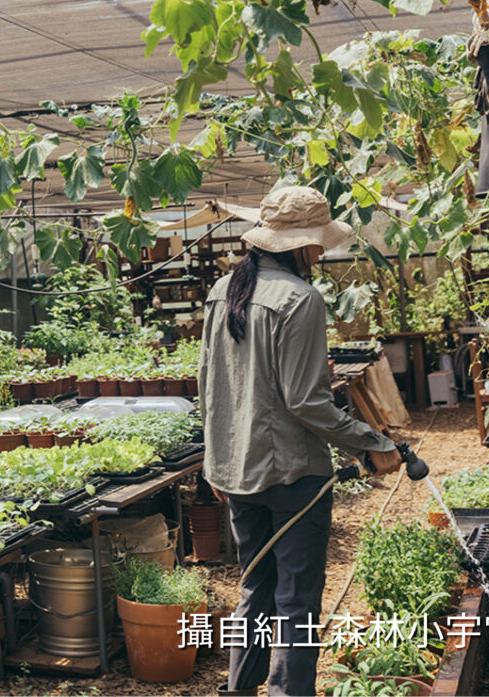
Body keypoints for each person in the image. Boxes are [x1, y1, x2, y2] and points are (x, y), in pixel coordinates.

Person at [199, 186, 402, 697]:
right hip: (293, 475)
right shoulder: (300, 298)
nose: (321, 252)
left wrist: (213, 461)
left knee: (255, 588)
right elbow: (306, 403)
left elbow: (210, 385)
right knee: (296, 601)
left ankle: (240, 690)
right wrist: (371, 441)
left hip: (237, 472)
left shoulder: (224, 290)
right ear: (298, 246)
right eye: (316, 244)